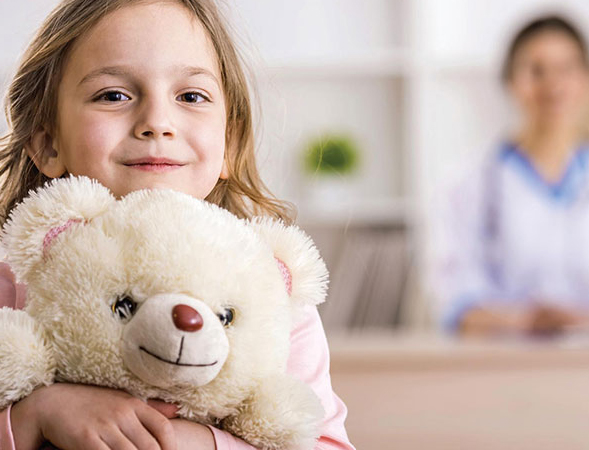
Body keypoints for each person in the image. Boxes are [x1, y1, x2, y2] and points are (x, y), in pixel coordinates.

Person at [0, 1, 355, 449]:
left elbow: (322, 441)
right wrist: (35, 416)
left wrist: (191, 441)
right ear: (48, 143)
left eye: (190, 96)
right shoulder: (14, 289)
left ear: (229, 143)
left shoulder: (268, 297)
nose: (157, 123)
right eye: (113, 95)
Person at [436, 15, 589, 337]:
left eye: (567, 69)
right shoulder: (467, 184)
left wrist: (573, 322)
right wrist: (526, 322)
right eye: (535, 70)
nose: (552, 86)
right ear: (510, 82)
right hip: (497, 372)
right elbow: (455, 302)